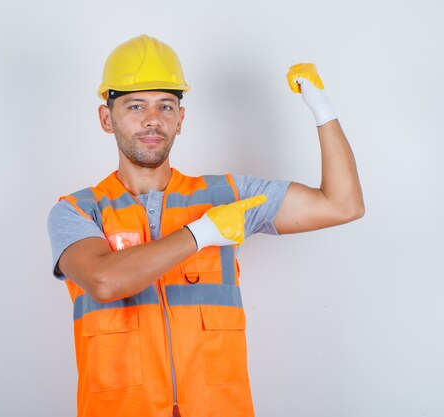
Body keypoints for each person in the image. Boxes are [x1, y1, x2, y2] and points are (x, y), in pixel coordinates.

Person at [47, 34, 364, 417]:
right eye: (135, 105)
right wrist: (203, 234)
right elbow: (104, 281)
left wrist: (321, 109)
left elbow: (342, 205)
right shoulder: (77, 211)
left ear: (180, 120)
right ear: (105, 118)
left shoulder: (227, 195)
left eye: (166, 106)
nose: (152, 119)